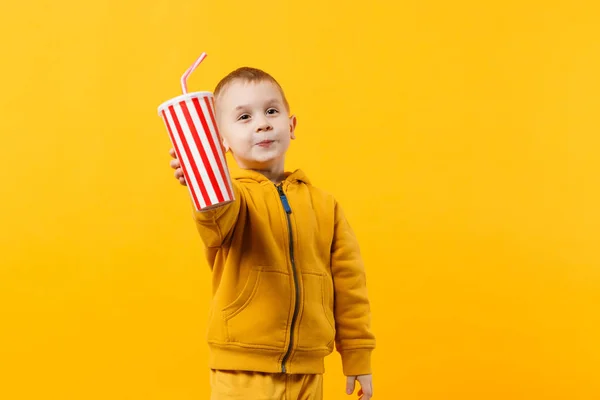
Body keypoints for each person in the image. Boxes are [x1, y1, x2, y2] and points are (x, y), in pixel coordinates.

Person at [168, 66, 375, 400]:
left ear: (291, 126)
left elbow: (350, 285)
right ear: (220, 140)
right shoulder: (231, 197)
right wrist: (201, 178)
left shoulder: (325, 206)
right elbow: (215, 222)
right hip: (241, 370)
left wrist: (357, 356)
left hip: (308, 368)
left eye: (271, 111)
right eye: (244, 117)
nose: (262, 122)